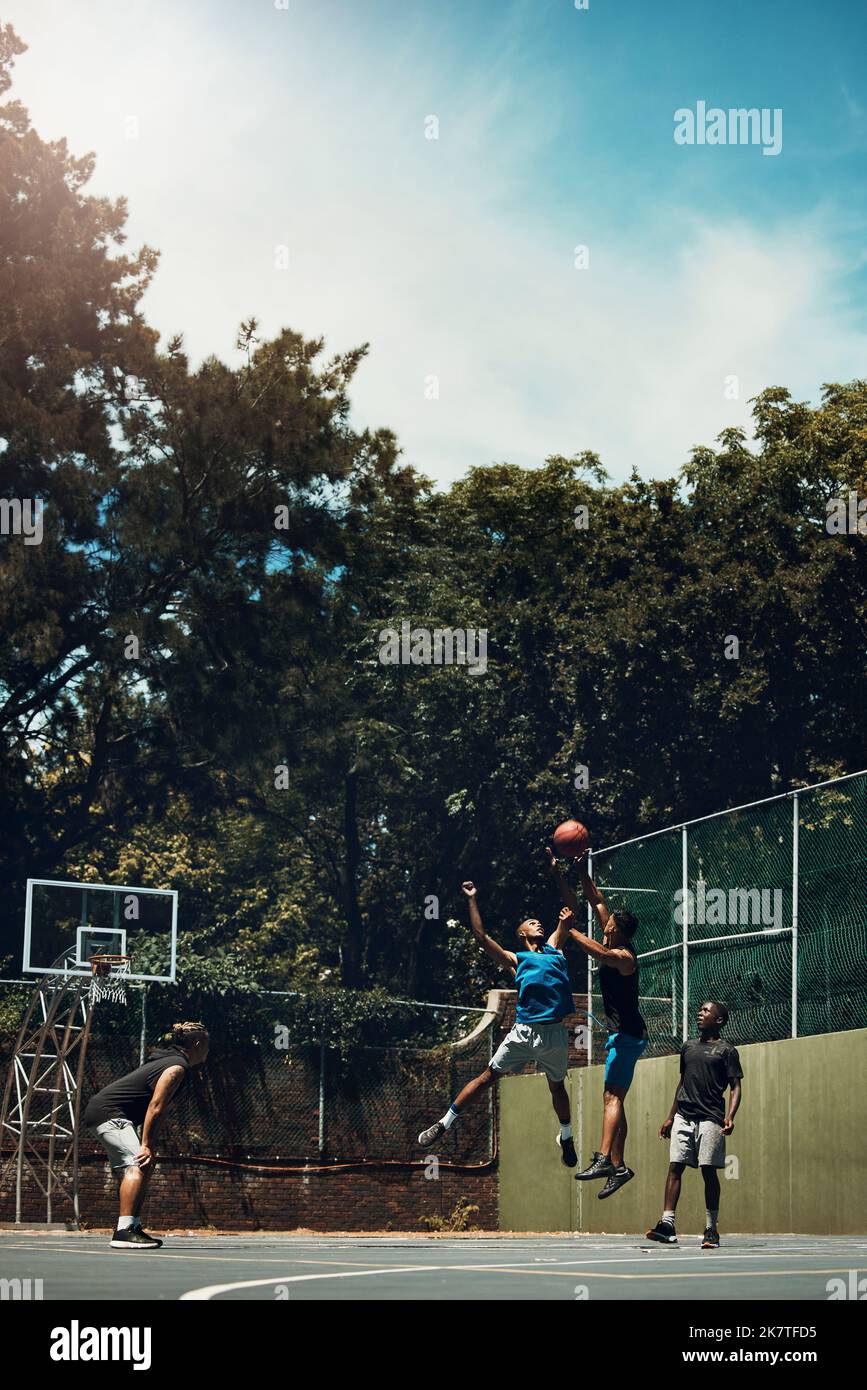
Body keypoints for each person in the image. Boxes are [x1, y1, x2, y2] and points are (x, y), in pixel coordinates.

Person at [418, 881, 578, 1168]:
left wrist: (557, 875)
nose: (538, 924)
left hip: (554, 1033)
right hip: (524, 1032)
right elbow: (480, 937)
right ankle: (444, 1123)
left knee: (557, 1087)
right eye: (532, 923)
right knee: (487, 1077)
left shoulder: (554, 948)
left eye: (540, 922)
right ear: (522, 934)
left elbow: (570, 912)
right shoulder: (517, 959)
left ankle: (566, 1136)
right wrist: (472, 899)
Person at [552, 850, 647, 1197]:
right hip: (622, 1036)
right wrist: (581, 870)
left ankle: (605, 1157)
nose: (605, 926)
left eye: (609, 926)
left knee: (611, 1098)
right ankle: (619, 1167)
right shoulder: (612, 935)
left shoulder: (623, 957)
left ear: (620, 932)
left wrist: (571, 932)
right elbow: (597, 899)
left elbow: (602, 955)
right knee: (614, 1099)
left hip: (629, 1036)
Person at [82, 1020, 210, 1250]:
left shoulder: (167, 1059)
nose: (208, 1050)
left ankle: (133, 1226)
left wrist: (148, 1145)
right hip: (108, 1112)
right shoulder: (176, 1067)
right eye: (207, 1045)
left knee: (144, 1164)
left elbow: (158, 1110)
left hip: (105, 1112)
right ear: (198, 1044)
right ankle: (124, 1232)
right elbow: (156, 1107)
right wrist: (146, 1145)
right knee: (138, 1163)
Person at [646, 1000, 743, 1248]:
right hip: (683, 1116)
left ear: (718, 1020)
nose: (700, 1014)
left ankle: (711, 1229)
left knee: (708, 1171)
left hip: (711, 1117)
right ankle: (667, 1225)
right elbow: (683, 1082)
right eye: (700, 1010)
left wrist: (730, 1116)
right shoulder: (687, 1047)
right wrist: (670, 1116)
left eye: (706, 1011)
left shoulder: (727, 1051)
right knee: (675, 1166)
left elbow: (735, 1088)